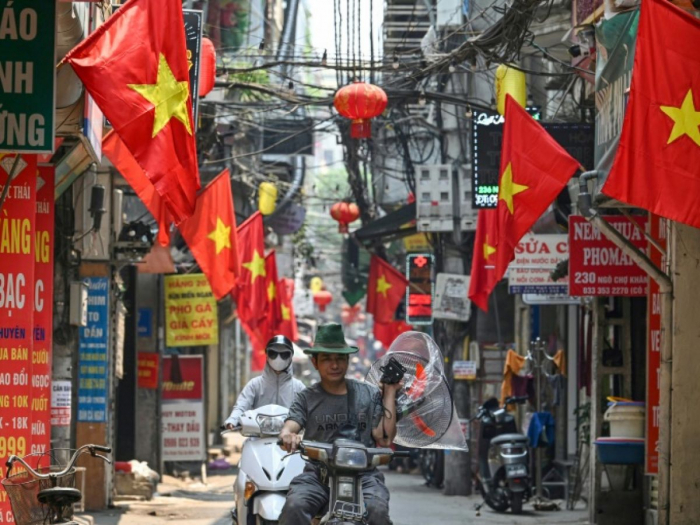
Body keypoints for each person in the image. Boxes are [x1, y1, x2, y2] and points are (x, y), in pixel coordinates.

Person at [278, 323, 400, 525]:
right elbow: (291, 424)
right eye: (326, 359)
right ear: (315, 362)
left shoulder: (367, 393)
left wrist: (390, 392)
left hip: (365, 475)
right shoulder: (306, 398)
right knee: (294, 507)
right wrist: (287, 435)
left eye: (339, 359)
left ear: (347, 361)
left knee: (377, 511)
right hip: (318, 475)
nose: (334, 365)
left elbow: (384, 438)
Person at [224, 335, 305, 429]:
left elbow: (308, 411)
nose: (278, 359)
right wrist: (233, 420)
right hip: (257, 437)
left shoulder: (299, 387)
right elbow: (242, 405)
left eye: (284, 354)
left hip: (290, 439)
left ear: (291, 355)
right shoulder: (255, 384)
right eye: (273, 354)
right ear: (266, 354)